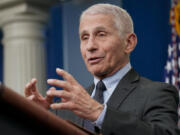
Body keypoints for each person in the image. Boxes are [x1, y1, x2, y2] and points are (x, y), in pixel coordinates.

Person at [24, 3, 180, 135]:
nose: (90, 46)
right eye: (84, 37)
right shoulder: (65, 109)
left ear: (129, 43)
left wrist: (99, 114)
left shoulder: (158, 94)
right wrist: (39, 119)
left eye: (101, 34)